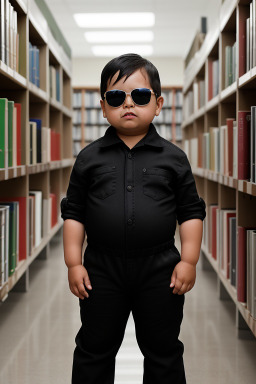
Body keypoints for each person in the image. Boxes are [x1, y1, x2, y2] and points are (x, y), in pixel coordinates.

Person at [60, 53, 206, 384]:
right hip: (100, 270)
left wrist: (190, 260)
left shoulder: (174, 158)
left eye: (139, 96)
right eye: (116, 97)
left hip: (160, 270)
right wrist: (73, 263)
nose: (128, 104)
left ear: (158, 104)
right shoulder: (88, 158)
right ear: (102, 106)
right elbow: (75, 212)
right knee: (93, 348)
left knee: (163, 349)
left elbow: (190, 211)